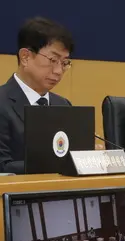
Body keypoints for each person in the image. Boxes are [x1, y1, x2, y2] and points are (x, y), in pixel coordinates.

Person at [0, 17, 74, 174]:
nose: (58, 71)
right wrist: (59, 164)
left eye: (64, 63)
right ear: (25, 57)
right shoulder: (2, 103)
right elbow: (3, 167)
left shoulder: (64, 105)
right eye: (53, 60)